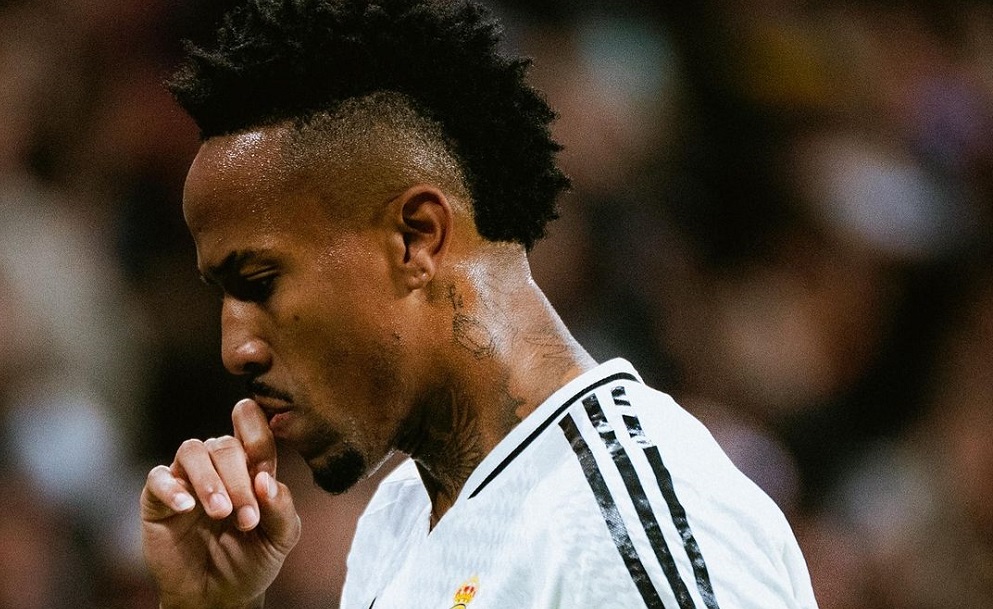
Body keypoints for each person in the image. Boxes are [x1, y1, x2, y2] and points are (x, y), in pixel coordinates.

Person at [140, 1, 819, 608]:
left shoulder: (614, 529)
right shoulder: (400, 516)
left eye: (259, 281)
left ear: (416, 238)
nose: (235, 348)